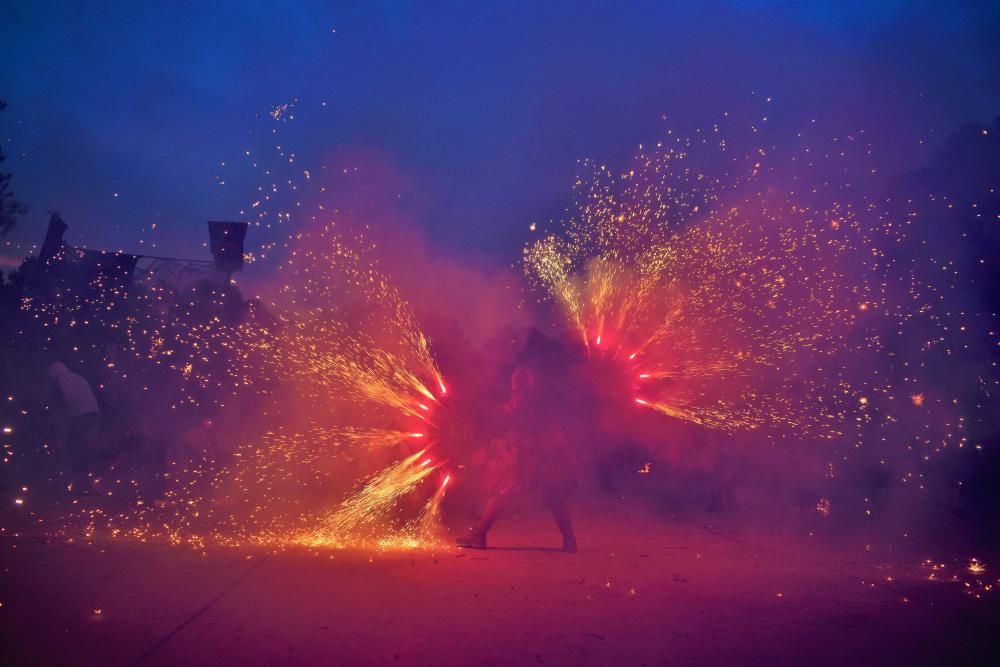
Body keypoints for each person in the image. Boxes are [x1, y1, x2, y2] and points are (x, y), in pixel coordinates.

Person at [457, 367, 580, 552]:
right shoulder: (537, 401)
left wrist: (481, 413)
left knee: (502, 493)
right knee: (555, 498)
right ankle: (569, 540)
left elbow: (516, 422)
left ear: (517, 384)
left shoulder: (522, 402)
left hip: (537, 457)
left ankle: (479, 536)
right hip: (549, 457)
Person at [48, 361, 101, 475]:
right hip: (93, 412)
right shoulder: (77, 377)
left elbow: (70, 398)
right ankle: (84, 471)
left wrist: (71, 415)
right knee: (81, 441)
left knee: (74, 443)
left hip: (83, 414)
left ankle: (80, 473)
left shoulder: (64, 379)